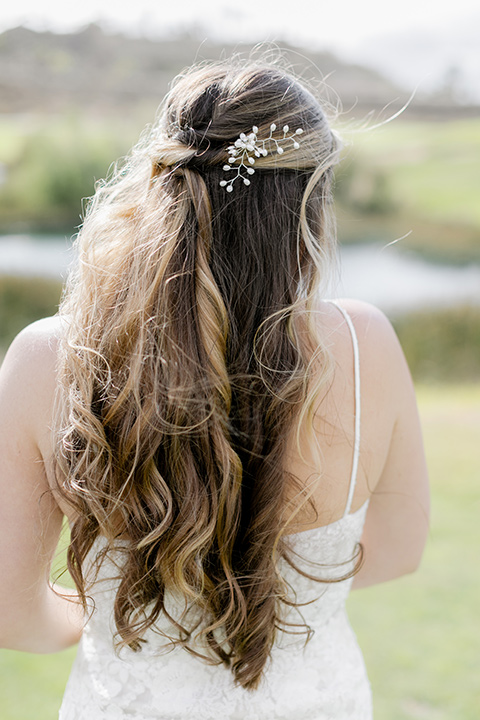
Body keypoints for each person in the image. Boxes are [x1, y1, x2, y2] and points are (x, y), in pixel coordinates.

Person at [0, 59, 430, 719]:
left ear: (156, 184)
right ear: (311, 202)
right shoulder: (366, 343)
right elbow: (399, 551)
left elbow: (12, 614)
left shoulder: (47, 358)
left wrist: (120, 619)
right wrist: (276, 596)